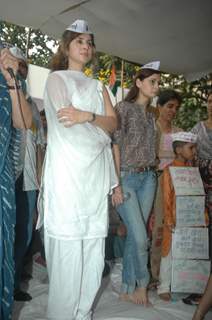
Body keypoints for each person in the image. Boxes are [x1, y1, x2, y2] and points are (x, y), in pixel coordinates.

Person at [36, 19, 118, 320]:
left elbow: (114, 124)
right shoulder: (56, 80)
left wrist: (87, 116)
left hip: (94, 181)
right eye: (80, 41)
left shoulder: (99, 86)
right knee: (69, 249)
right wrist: (99, 130)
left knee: (93, 250)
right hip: (68, 176)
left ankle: (83, 313)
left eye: (89, 42)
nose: (86, 46)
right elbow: (65, 128)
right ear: (67, 46)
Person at [112, 61, 161, 305]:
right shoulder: (123, 108)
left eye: (158, 82)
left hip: (149, 178)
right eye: (152, 81)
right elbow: (115, 145)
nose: (157, 86)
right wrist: (116, 184)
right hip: (127, 177)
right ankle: (141, 284)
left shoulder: (153, 115)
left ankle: (126, 287)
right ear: (138, 82)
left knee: (136, 234)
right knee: (141, 238)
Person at [0, 44, 32, 319]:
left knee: (10, 242)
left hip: (8, 178)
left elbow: (24, 123)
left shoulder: (14, 82)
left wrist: (12, 82)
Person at [157, 131, 198, 301]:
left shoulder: (193, 170)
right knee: (169, 252)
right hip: (173, 218)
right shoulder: (169, 170)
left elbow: (197, 194)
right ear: (179, 150)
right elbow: (167, 196)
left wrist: (201, 216)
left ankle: (184, 284)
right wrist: (168, 218)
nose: (194, 151)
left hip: (190, 218)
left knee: (187, 252)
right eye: (191, 148)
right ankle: (163, 286)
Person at [150, 89, 182, 282]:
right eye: (169, 106)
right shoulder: (152, 129)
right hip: (157, 183)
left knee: (173, 227)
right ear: (159, 106)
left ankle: (171, 274)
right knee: (157, 229)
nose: (173, 111)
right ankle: (155, 274)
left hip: (177, 184)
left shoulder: (180, 132)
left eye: (176, 108)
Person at [191, 91, 212, 260]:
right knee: (202, 223)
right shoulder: (197, 129)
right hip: (200, 185)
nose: (211, 105)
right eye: (210, 101)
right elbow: (187, 152)